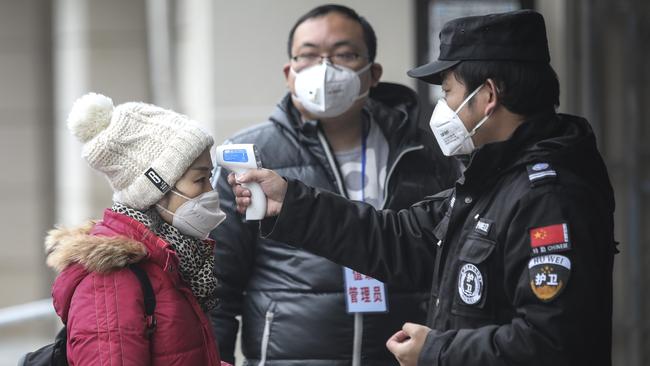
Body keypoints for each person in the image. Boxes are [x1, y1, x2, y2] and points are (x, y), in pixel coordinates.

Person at [228, 10, 617, 366]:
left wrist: (435, 352)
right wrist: (291, 202)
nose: (442, 107)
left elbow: (552, 343)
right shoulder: (491, 182)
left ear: (488, 96)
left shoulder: (547, 198)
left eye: (448, 91)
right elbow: (401, 238)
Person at [208, 4, 460, 365]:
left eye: (344, 54)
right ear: (289, 72)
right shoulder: (249, 156)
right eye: (308, 56)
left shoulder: (426, 153)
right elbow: (218, 285)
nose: (325, 69)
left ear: (372, 73)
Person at [46, 93, 230, 365]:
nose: (210, 192)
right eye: (200, 179)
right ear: (155, 190)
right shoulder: (110, 280)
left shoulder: (170, 262)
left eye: (210, 177)